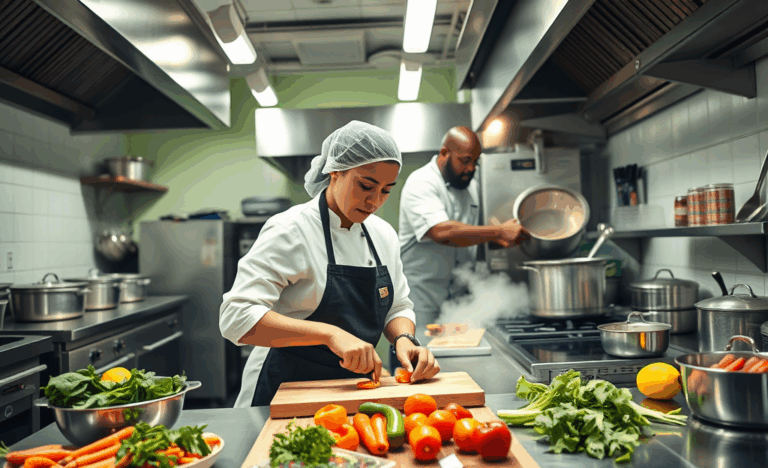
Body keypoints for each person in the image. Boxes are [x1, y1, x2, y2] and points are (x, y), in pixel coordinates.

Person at [221, 120, 440, 408]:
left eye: (386, 190)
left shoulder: (382, 234)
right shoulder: (292, 229)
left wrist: (405, 338)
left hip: (350, 392)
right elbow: (236, 317)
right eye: (366, 185)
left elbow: (398, 305)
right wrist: (330, 334)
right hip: (283, 389)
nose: (374, 201)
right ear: (335, 170)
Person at [398, 126, 526, 333]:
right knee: (417, 358)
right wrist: (498, 231)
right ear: (444, 153)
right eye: (464, 161)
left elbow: (467, 235)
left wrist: (497, 239)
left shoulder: (471, 188)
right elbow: (441, 232)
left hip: (459, 299)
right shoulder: (421, 182)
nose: (470, 169)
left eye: (475, 162)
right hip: (422, 300)